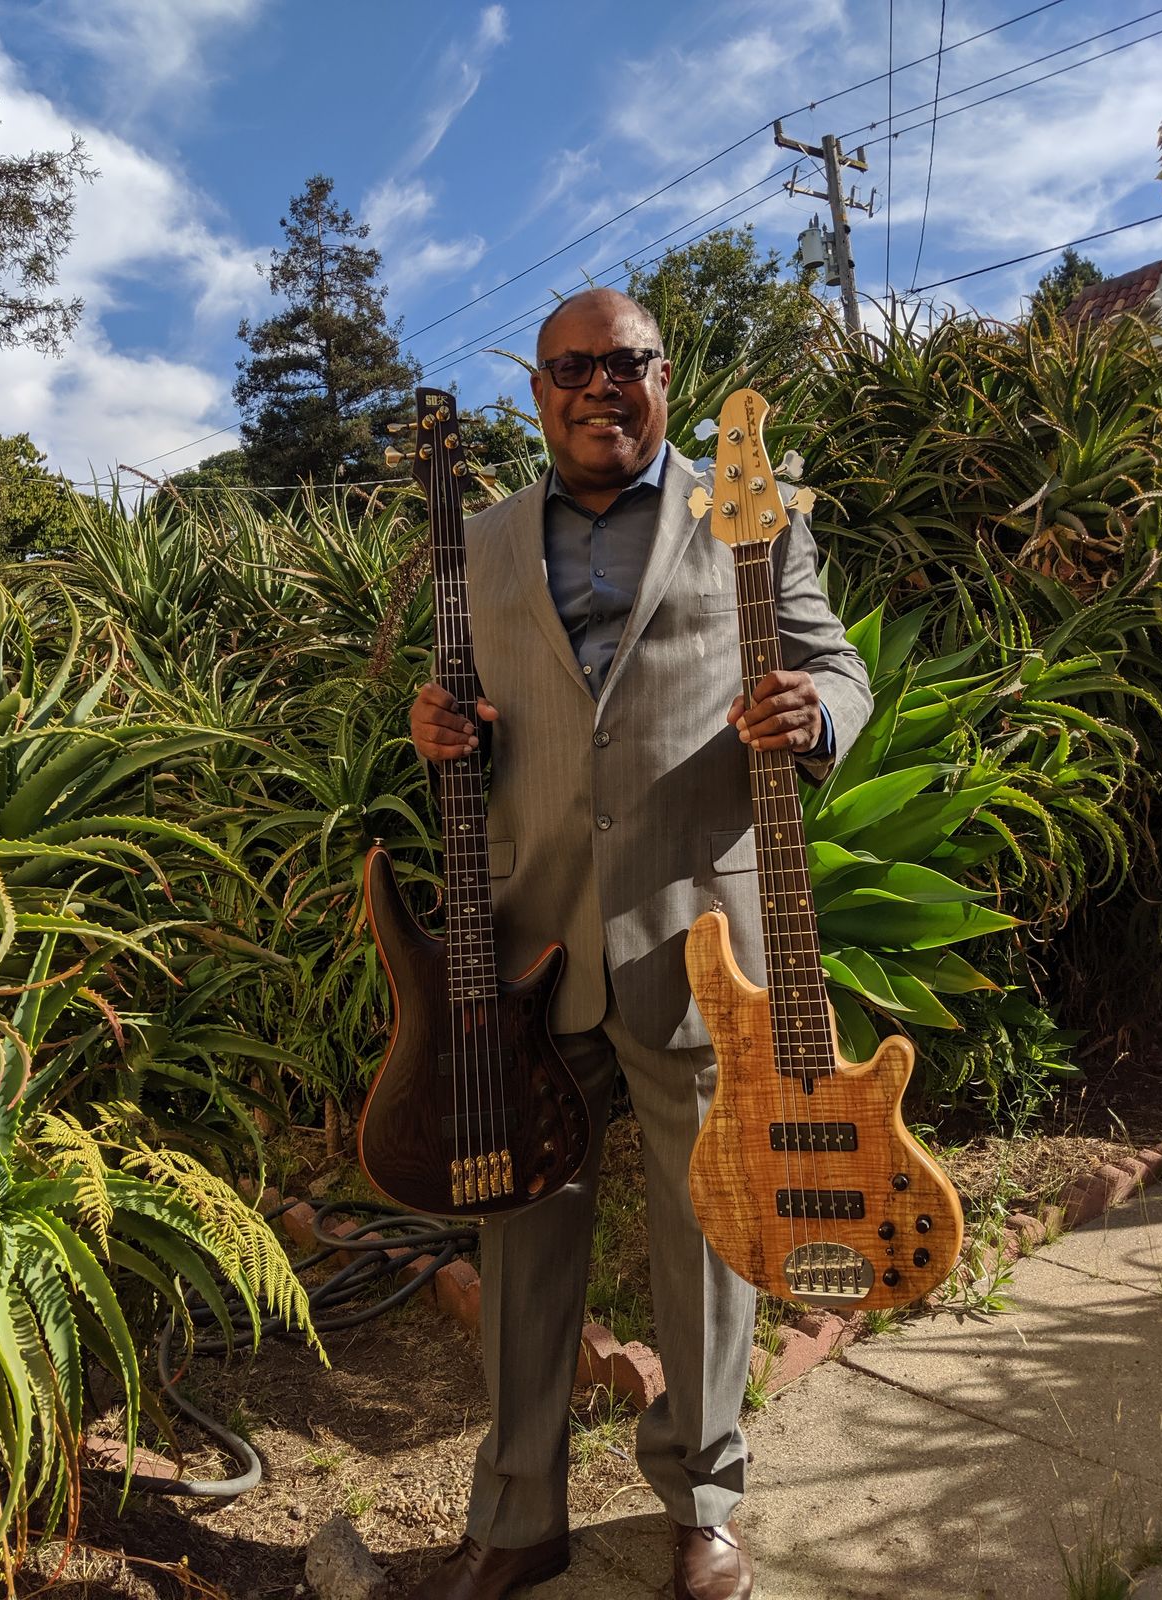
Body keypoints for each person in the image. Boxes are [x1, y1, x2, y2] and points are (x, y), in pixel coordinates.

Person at [405, 287, 872, 1600]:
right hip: (530, 940)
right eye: (571, 368)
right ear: (537, 391)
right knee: (522, 1234)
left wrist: (815, 714)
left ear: (665, 378)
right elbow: (467, 706)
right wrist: (439, 728)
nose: (597, 387)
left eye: (624, 364)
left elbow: (839, 666)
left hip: (698, 934)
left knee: (711, 1231)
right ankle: (518, 1515)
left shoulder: (749, 511)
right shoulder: (481, 543)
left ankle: (705, 1501)